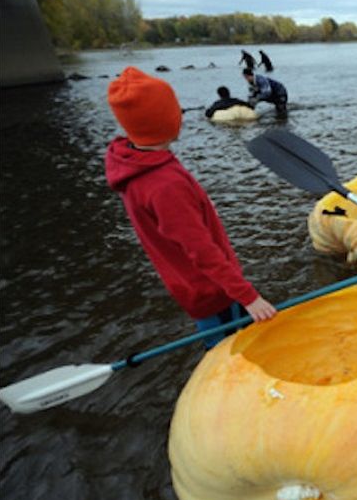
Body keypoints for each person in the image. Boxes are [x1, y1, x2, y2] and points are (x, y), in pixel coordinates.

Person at [104, 67, 277, 348]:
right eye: (175, 110)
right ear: (165, 121)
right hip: (215, 293)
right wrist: (248, 297)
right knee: (232, 353)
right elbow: (201, 251)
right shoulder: (164, 185)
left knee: (238, 345)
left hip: (197, 286)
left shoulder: (135, 160)